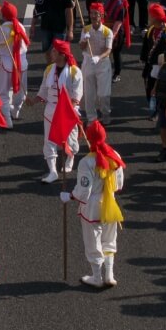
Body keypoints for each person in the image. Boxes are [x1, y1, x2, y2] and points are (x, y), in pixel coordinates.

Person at [66, 120, 125, 288]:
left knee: (93, 241)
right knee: (109, 239)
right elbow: (119, 185)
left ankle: (97, 277)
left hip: (92, 206)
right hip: (110, 202)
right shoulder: (115, 155)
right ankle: (109, 274)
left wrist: (69, 196)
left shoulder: (86, 162)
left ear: (90, 139)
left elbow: (84, 190)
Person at [32, 39, 83, 183]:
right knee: (49, 140)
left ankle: (70, 158)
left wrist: (67, 110)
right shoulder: (49, 69)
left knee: (69, 139)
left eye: (54, 51)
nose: (51, 53)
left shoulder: (75, 72)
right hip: (50, 110)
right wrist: (34, 100)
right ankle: (52, 171)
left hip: (67, 110)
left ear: (62, 54)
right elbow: (43, 90)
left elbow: (76, 95)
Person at [0, 2, 28, 128]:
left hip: (6, 65)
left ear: (4, 16)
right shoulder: (21, 26)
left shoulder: (1, 29)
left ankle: (7, 120)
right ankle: (16, 111)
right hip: (22, 64)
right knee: (21, 90)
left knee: (3, 93)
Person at [80, 2, 114, 123]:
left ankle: (105, 113)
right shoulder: (86, 29)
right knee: (89, 94)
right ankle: (91, 118)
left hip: (102, 64)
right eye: (92, 13)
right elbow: (81, 46)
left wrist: (99, 57)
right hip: (89, 62)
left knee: (103, 94)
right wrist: (85, 39)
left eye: (96, 14)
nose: (93, 16)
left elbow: (108, 50)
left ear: (101, 15)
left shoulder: (107, 32)